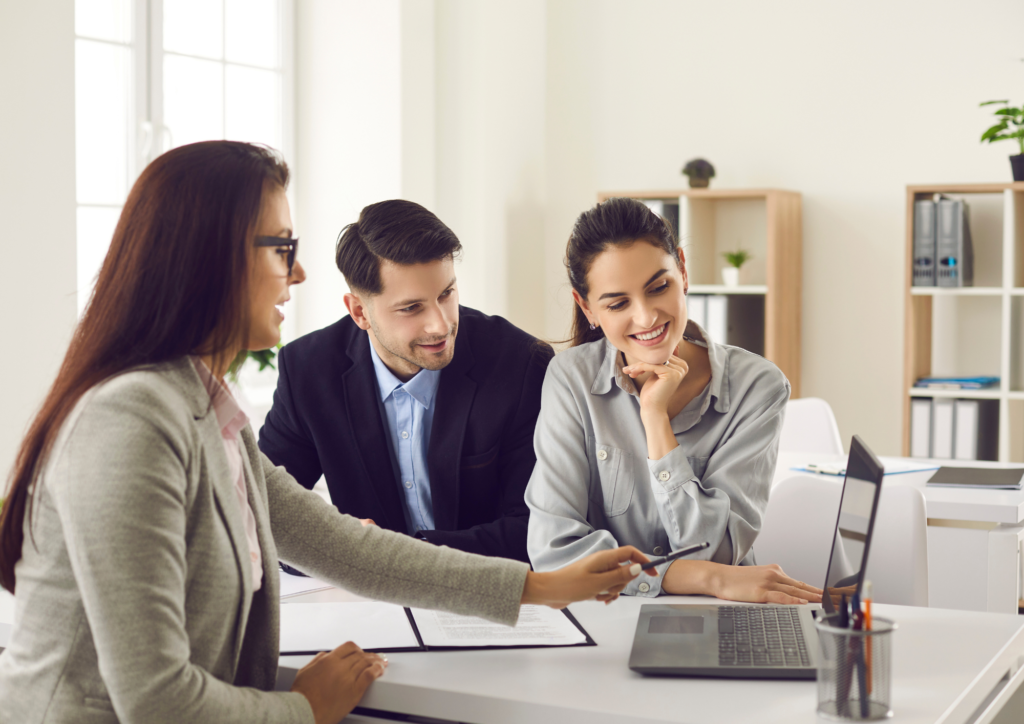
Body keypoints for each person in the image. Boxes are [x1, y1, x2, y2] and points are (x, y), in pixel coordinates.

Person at [0, 143, 653, 724]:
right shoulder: (132, 420)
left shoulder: (201, 410)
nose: (300, 273)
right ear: (210, 260)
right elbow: (159, 702)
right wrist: (304, 709)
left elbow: (342, 547)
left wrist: (542, 586)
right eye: (283, 248)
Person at [525, 197, 822, 605]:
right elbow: (554, 554)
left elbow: (717, 551)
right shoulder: (570, 378)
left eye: (659, 287)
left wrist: (655, 420)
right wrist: (706, 578)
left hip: (720, 615)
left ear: (682, 269)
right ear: (587, 308)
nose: (646, 318)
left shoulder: (758, 386)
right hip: (606, 618)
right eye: (617, 303)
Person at [258, 199, 549, 563]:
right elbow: (261, 513)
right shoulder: (308, 371)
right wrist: (336, 545)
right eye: (412, 308)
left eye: (447, 294)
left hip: (489, 596)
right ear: (359, 312)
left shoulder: (519, 362)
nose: (441, 324)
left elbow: (537, 528)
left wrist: (397, 556)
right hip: (368, 604)